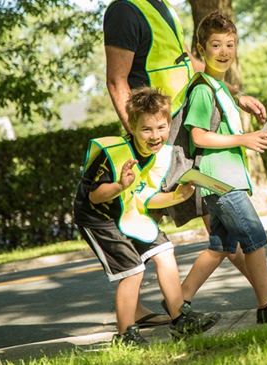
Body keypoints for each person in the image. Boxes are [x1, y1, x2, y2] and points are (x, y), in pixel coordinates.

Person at [103, 0, 267, 325]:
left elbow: (187, 66)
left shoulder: (162, 8)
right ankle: (135, 313)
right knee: (142, 220)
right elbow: (117, 81)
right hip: (161, 136)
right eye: (217, 45)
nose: (223, 50)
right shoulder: (125, 11)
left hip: (176, 131)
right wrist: (143, 142)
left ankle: (200, 299)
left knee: (218, 236)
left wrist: (231, 92)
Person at [176, 11, 267, 324]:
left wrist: (250, 138)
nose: (224, 52)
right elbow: (198, 136)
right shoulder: (203, 89)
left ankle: (177, 304)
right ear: (200, 49)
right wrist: (245, 139)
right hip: (220, 181)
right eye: (216, 45)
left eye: (230, 45)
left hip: (224, 179)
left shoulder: (222, 89)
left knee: (220, 247)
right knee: (254, 237)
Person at [73, 87, 221, 344]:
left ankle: (180, 319)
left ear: (169, 124)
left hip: (129, 210)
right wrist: (120, 185)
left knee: (164, 251)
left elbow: (146, 196)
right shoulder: (115, 154)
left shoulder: (162, 154)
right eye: (147, 129)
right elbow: (94, 196)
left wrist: (178, 196)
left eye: (161, 128)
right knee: (132, 270)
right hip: (99, 217)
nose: (155, 136)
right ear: (132, 126)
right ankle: (125, 334)